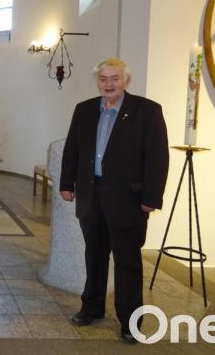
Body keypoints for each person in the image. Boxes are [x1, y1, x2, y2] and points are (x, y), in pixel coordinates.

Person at [59, 58, 169, 344]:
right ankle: (91, 307)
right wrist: (66, 184)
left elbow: (157, 158)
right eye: (104, 79)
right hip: (90, 197)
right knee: (93, 256)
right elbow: (72, 149)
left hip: (128, 201)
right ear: (98, 81)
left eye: (115, 79)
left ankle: (130, 322)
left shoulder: (147, 111)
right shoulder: (84, 110)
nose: (109, 84)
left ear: (125, 81)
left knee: (127, 262)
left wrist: (151, 198)